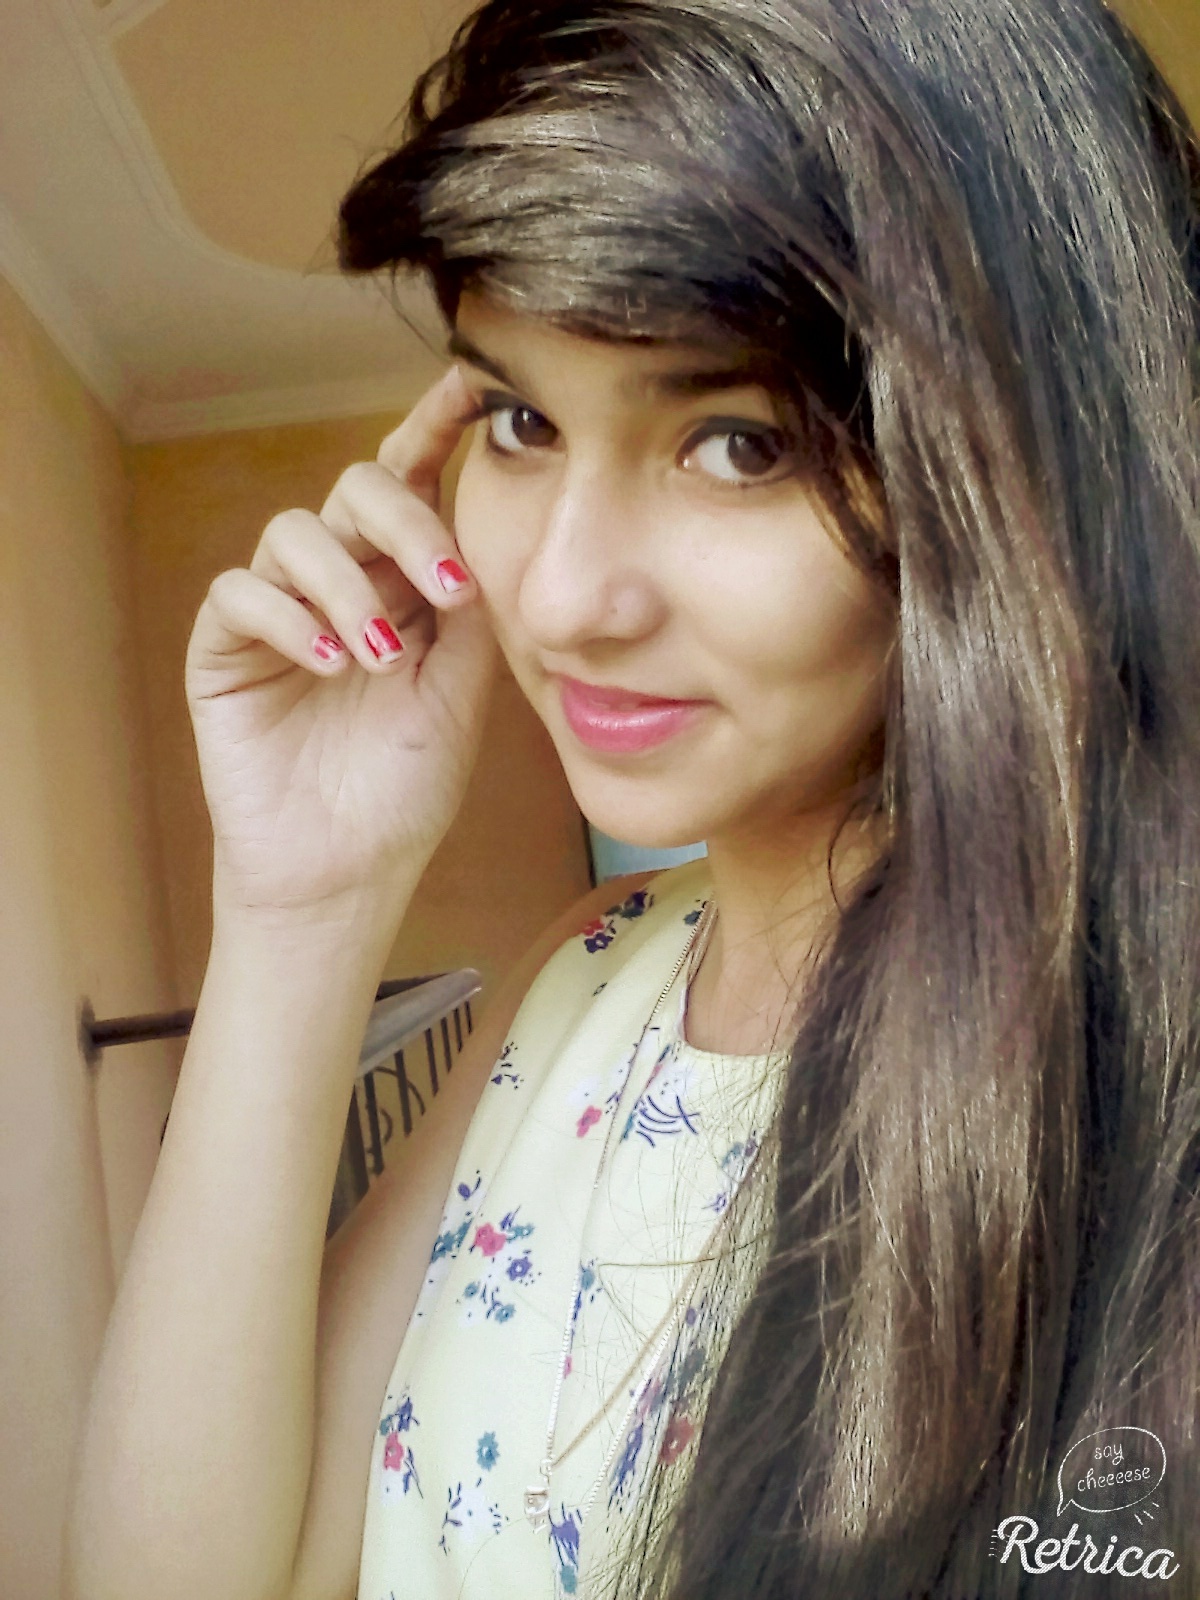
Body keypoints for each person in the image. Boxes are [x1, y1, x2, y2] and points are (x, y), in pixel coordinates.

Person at [66, 1, 1200, 1596]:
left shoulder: (1143, 1100)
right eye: (521, 421)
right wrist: (299, 906)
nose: (559, 598)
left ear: (1026, 467)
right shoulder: (582, 976)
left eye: (739, 443)